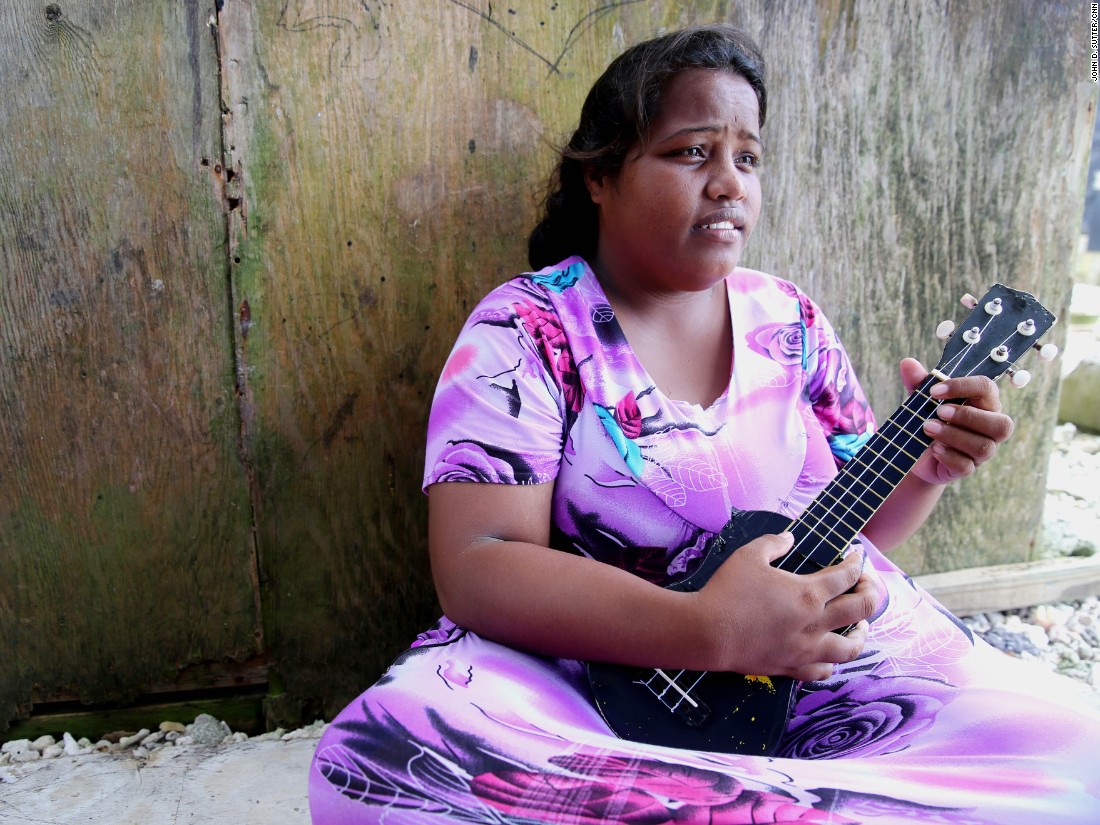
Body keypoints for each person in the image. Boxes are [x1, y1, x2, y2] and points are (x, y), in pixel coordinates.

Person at [309, 24, 1100, 824]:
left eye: (747, 158)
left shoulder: (787, 319)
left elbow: (853, 529)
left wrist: (928, 466)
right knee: (383, 759)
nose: (729, 183)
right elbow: (478, 564)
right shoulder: (527, 330)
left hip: (794, 664)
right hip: (579, 673)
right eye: (693, 152)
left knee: (1074, 745)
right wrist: (706, 629)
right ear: (601, 174)